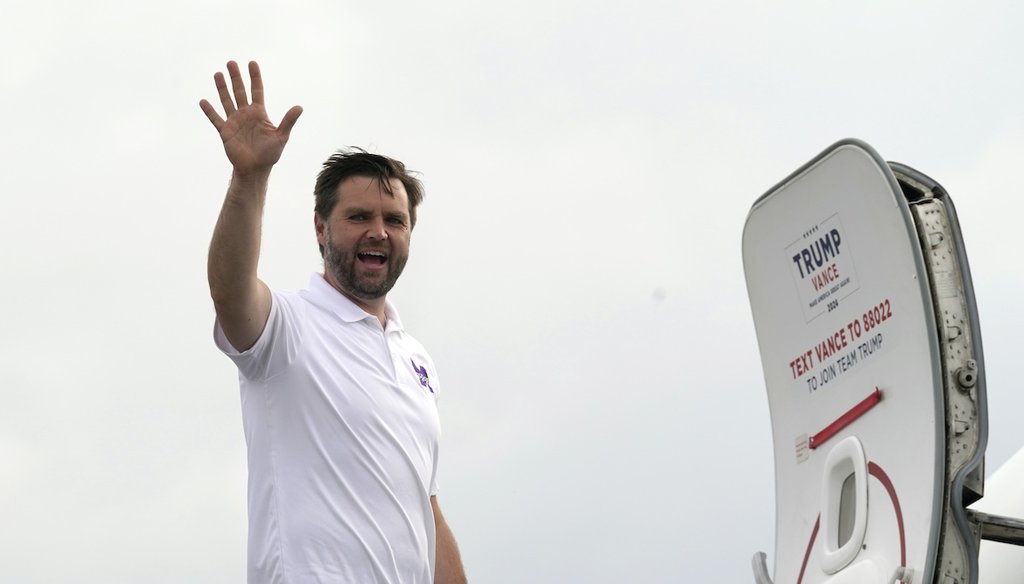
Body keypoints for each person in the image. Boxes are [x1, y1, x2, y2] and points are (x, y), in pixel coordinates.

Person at [200, 60, 467, 584]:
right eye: (358, 217)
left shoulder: (415, 359)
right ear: (321, 229)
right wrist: (249, 177)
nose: (379, 232)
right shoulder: (289, 329)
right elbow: (230, 291)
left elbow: (423, 505)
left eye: (394, 220)